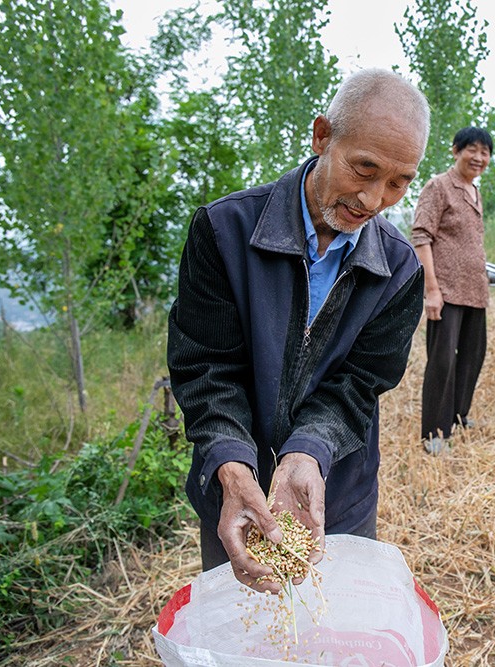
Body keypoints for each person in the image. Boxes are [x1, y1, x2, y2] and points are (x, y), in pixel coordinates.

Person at [167, 69, 429, 594]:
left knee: (330, 622)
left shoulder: (399, 270)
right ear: (322, 136)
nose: (375, 200)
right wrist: (231, 465)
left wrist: (309, 450)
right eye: (364, 169)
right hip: (235, 491)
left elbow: (359, 383)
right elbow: (206, 367)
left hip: (333, 491)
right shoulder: (225, 231)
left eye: (398, 182)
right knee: (245, 631)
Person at [410, 127, 493, 454]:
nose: (479, 158)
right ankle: (434, 431)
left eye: (485, 152)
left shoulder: (474, 191)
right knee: (442, 360)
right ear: (456, 151)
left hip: (475, 289)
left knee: (473, 356)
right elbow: (421, 237)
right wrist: (432, 289)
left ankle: (459, 414)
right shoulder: (438, 187)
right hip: (446, 290)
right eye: (472, 150)